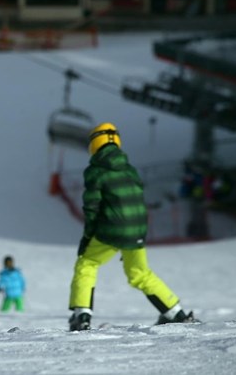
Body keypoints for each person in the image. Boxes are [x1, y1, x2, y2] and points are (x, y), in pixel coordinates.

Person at [68, 122, 197, 331]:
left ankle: (81, 316)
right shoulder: (130, 170)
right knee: (140, 273)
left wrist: (87, 237)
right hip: (137, 230)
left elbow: (92, 207)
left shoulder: (96, 171)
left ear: (94, 143)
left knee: (87, 264)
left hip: (110, 229)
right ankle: (176, 313)